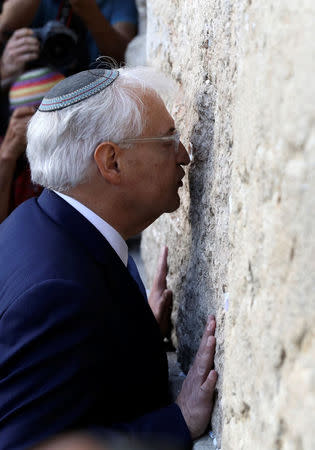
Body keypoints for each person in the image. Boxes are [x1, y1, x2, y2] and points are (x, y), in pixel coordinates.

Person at [0, 67, 217, 449]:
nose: (185, 156)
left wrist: (131, 334)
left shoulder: (34, 221)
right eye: (169, 139)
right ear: (111, 162)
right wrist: (178, 420)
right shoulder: (56, 294)